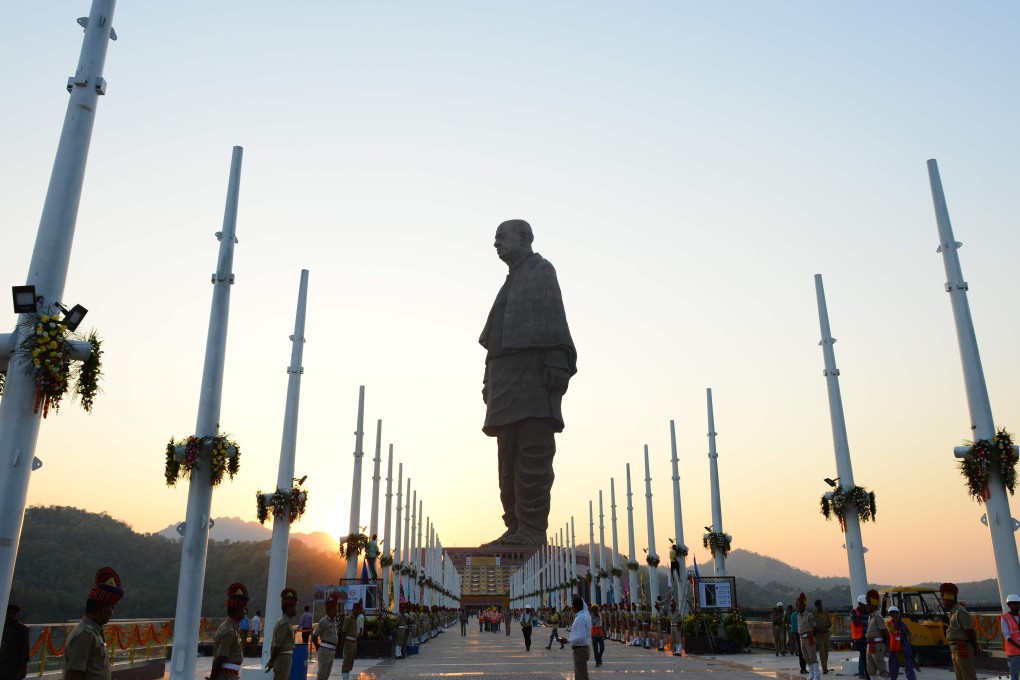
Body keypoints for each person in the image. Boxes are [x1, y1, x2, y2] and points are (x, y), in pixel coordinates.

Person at [480, 219, 577, 547]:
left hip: (533, 379)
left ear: (523, 238)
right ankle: (515, 526)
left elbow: (554, 320)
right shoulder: (509, 282)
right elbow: (494, 341)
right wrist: (488, 379)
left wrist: (556, 361)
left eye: (501, 237)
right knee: (506, 459)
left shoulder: (541, 271)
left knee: (532, 454)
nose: (496, 243)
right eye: (495, 239)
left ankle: (532, 529)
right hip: (505, 383)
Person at [63, 567, 124, 680]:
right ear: (104, 610)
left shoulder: (95, 632)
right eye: (112, 608)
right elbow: (74, 675)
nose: (112, 612)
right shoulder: (85, 635)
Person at [210, 583, 248, 680]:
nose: (245, 611)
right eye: (243, 609)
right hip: (227, 676)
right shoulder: (229, 631)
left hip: (229, 675)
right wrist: (212, 678)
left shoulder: (231, 626)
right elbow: (220, 658)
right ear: (237, 611)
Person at [941, 582, 978, 680]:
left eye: (944, 599)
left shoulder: (960, 612)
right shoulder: (953, 612)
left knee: (968, 675)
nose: (943, 602)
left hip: (962, 647)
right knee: (960, 676)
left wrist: (975, 647)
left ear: (949, 600)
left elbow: (970, 631)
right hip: (955, 647)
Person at [265, 588, 298, 680]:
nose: (296, 609)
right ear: (288, 608)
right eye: (294, 607)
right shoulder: (285, 623)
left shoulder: (285, 621)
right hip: (282, 658)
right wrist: (271, 661)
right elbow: (277, 645)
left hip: (284, 657)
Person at [558, 596, 591, 680]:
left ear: (575, 606)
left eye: (572, 604)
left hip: (580, 650)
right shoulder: (584, 615)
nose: (571, 606)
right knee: (579, 675)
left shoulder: (580, 618)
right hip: (582, 649)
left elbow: (581, 637)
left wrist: (567, 640)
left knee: (582, 676)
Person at [310, 593, 340, 680]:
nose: (336, 611)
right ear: (328, 611)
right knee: (322, 675)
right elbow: (314, 636)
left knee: (326, 675)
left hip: (331, 651)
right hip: (325, 651)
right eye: (334, 610)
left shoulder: (333, 621)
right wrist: (317, 647)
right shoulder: (323, 621)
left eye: (336, 609)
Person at [887, 606, 917, 680]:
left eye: (896, 613)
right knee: (893, 669)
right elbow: (892, 631)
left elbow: (908, 633)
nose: (895, 615)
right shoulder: (889, 623)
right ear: (890, 614)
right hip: (894, 650)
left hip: (904, 649)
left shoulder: (902, 624)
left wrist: (908, 643)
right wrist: (896, 622)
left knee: (909, 668)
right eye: (893, 613)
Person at [864, 589, 889, 678]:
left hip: (877, 645)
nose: (867, 606)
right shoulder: (870, 616)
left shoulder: (878, 617)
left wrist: (885, 645)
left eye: (868, 605)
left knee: (882, 668)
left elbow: (884, 632)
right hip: (870, 644)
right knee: (870, 668)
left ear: (874, 605)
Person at [1, 604, 30, 680]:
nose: (11, 616)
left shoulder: (22, 629)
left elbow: (25, 649)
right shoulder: (1, 626)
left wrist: (23, 669)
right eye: (9, 613)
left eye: (14, 614)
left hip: (14, 668)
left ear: (17, 615)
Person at [797, 594, 821, 680]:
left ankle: (817, 675)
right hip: (802, 638)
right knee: (806, 657)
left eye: (801, 606)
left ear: (804, 606)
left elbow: (814, 627)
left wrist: (812, 637)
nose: (799, 607)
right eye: (798, 606)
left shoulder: (809, 616)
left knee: (812, 656)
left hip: (809, 638)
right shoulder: (798, 616)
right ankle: (811, 674)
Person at [340, 601, 365, 680]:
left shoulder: (355, 619)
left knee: (351, 661)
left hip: (354, 642)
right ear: (354, 609)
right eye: (357, 610)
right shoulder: (348, 618)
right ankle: (345, 678)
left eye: (359, 610)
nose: (359, 612)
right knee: (347, 661)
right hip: (349, 642)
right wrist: (343, 643)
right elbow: (343, 631)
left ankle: (347, 676)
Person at [1001, 594, 1020, 680]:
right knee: (1015, 676)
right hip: (1014, 652)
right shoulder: (1005, 617)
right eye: (1014, 604)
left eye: (1018, 603)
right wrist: (1017, 646)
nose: (1017, 606)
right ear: (1009, 605)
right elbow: (1006, 634)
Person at [851, 594, 870, 680]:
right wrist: (860, 613)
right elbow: (856, 622)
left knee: (864, 656)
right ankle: (863, 673)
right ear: (859, 604)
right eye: (864, 605)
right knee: (863, 655)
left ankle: (863, 672)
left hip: (868, 638)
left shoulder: (868, 612)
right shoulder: (854, 612)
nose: (866, 606)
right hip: (859, 639)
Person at [814, 599, 832, 674]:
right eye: (819, 606)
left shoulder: (826, 613)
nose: (820, 607)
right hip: (818, 634)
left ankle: (825, 665)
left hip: (826, 634)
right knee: (821, 651)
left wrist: (826, 627)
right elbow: (812, 625)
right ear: (816, 606)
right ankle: (824, 667)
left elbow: (830, 624)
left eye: (821, 605)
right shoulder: (813, 614)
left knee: (826, 651)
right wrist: (818, 629)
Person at [789, 604, 806, 673]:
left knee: (805, 651)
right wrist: (793, 632)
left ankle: (804, 667)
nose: (800, 607)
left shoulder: (805, 614)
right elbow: (793, 625)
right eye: (798, 606)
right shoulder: (794, 615)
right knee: (800, 651)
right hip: (798, 633)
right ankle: (802, 667)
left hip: (805, 633)